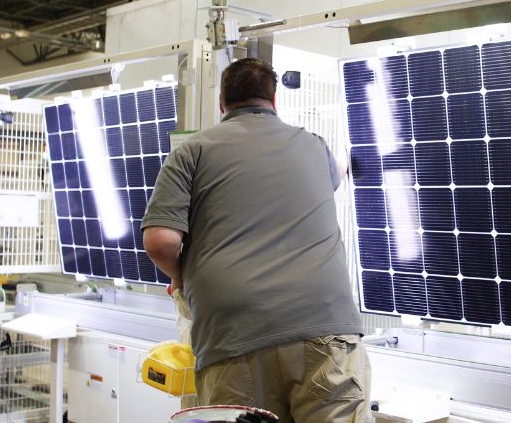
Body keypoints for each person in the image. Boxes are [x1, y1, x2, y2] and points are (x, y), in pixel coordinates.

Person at [142, 58, 369, 422]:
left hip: (235, 336)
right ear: (274, 100)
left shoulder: (191, 152)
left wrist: (180, 276)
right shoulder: (313, 146)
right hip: (326, 328)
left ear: (221, 102)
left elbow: (160, 242)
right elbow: (338, 170)